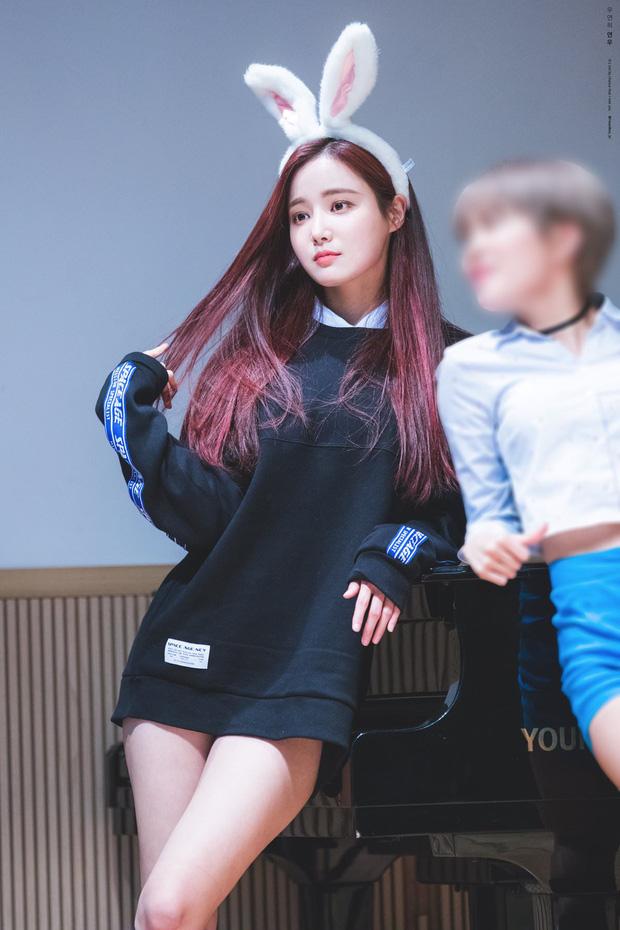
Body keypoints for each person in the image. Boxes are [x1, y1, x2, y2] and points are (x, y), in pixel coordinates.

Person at [95, 22, 466, 930]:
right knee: (170, 920)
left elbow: (455, 507)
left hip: (301, 669)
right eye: (300, 215)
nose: (318, 230)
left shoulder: (449, 367)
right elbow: (210, 517)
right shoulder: (260, 353)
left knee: (169, 907)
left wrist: (394, 551)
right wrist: (127, 415)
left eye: (340, 204)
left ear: (395, 210)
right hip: (184, 652)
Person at [434, 156, 620, 790]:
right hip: (565, 603)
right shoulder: (468, 371)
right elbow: (484, 513)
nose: (476, 251)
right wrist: (486, 540)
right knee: (576, 827)